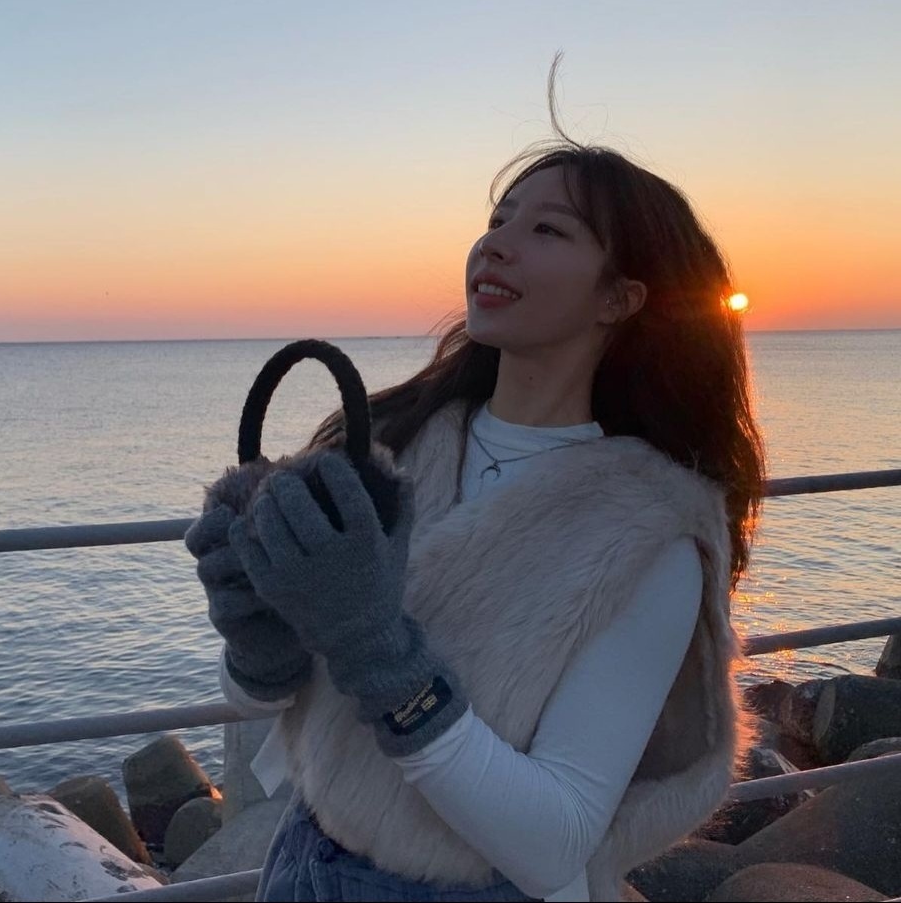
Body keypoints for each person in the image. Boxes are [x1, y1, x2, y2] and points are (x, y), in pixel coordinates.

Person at [185, 74, 765, 902]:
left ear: (619, 297)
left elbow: (554, 843)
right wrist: (257, 639)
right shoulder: (392, 448)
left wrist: (379, 652)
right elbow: (258, 700)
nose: (495, 245)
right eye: (497, 221)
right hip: (302, 862)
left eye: (546, 229)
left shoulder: (648, 534)